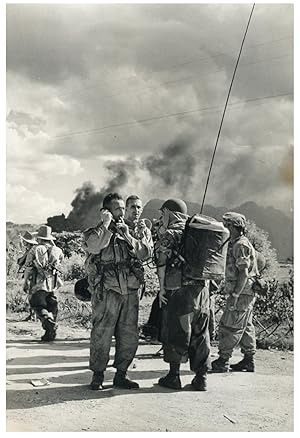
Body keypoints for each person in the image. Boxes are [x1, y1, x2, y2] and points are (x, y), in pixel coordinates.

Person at [83, 192, 152, 391]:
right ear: (106, 211)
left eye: (123, 208)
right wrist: (106, 226)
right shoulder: (95, 231)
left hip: (130, 289)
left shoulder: (132, 231)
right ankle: (98, 375)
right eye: (117, 209)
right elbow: (94, 247)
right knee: (102, 333)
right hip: (107, 290)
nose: (122, 213)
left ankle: (122, 374)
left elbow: (145, 254)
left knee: (129, 333)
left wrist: (128, 236)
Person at [155, 198, 211, 391]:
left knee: (177, 331)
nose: (161, 217)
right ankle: (201, 378)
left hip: (180, 291)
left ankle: (174, 376)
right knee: (201, 333)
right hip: (202, 291)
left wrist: (162, 288)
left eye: (163, 214)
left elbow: (161, 262)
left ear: (169, 213)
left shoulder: (171, 234)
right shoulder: (199, 233)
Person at [211, 212, 259, 372]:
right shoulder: (237, 243)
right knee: (246, 326)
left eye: (227, 224)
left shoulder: (240, 245)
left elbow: (244, 273)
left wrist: (234, 295)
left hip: (241, 293)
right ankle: (248, 360)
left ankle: (223, 360)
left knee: (230, 325)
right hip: (246, 293)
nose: (225, 227)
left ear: (236, 227)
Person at [29, 225, 64, 342]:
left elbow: (28, 266)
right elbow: (61, 262)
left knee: (38, 305)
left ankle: (49, 324)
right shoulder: (58, 250)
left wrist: (25, 282)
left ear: (39, 238)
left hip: (39, 283)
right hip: (53, 284)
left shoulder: (35, 249)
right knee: (52, 307)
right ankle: (50, 332)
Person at [17, 231, 38, 321]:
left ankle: (33, 315)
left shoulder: (31, 251)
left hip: (31, 274)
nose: (23, 242)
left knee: (32, 295)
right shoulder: (31, 250)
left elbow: (23, 263)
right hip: (33, 274)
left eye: (24, 241)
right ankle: (33, 315)